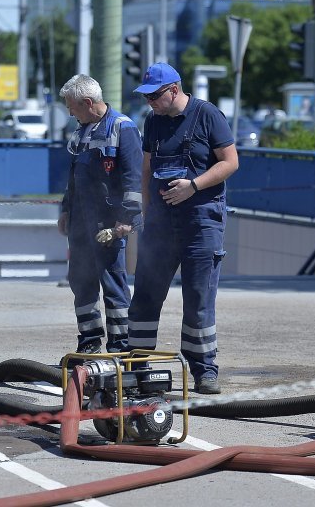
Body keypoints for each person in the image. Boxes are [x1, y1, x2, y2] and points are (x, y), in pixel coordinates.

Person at [126, 63, 239, 395]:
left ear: (173, 90)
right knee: (145, 295)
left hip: (200, 222)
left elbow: (230, 162)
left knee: (199, 299)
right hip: (160, 224)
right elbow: (147, 167)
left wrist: (194, 185)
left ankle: (204, 370)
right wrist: (145, 214)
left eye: (154, 96)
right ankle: (136, 364)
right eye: (146, 97)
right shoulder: (154, 121)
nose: (150, 103)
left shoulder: (207, 115)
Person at [58, 74, 143, 353]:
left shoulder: (123, 128)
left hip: (108, 222)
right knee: (81, 280)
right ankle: (89, 341)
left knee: (113, 281)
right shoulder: (81, 131)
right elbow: (73, 177)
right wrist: (66, 210)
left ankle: (120, 347)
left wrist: (126, 220)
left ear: (87, 102)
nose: (69, 112)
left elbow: (133, 179)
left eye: (72, 106)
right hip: (81, 222)